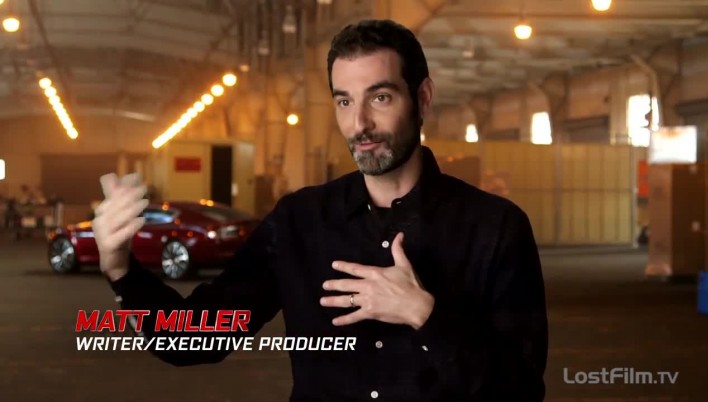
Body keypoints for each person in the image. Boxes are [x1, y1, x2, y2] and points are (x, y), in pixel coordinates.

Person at [93, 19, 548, 401]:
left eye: (380, 97)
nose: (359, 123)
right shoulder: (299, 220)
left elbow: (522, 391)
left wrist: (424, 315)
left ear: (423, 98)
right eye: (344, 101)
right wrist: (120, 268)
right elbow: (193, 340)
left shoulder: (495, 227)